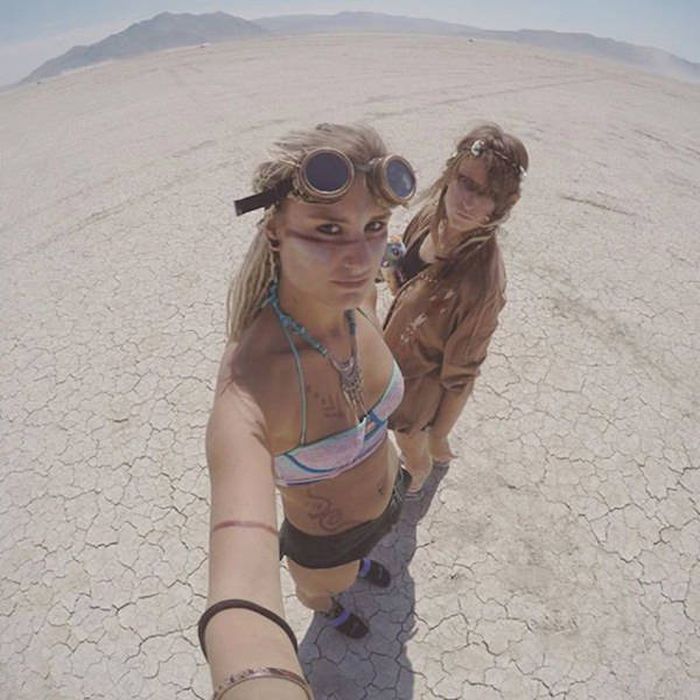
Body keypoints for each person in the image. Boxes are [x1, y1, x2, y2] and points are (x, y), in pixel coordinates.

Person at [199, 124, 417, 698]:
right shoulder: (247, 390)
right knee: (324, 589)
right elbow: (239, 595)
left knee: (367, 555)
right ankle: (328, 604)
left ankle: (360, 567)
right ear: (274, 230)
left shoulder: (361, 299)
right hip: (323, 544)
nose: (359, 256)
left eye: (374, 227)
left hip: (391, 497)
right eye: (327, 229)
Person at [382, 123, 528, 496]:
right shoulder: (431, 216)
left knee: (410, 444)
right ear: (451, 172)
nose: (467, 202)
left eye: (486, 194)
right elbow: (408, 283)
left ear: (504, 204)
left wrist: (436, 435)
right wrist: (394, 271)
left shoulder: (481, 283)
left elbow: (460, 377)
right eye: (465, 182)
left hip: (415, 396)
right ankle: (438, 454)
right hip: (390, 360)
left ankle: (419, 475)